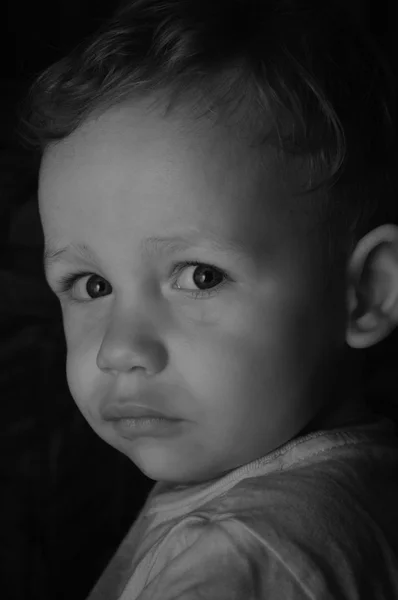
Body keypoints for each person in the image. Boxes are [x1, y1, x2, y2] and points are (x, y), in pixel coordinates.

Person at [18, 0, 398, 597]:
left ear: (366, 292)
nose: (119, 350)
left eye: (198, 276)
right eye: (92, 286)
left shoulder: (239, 559)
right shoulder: (342, 479)